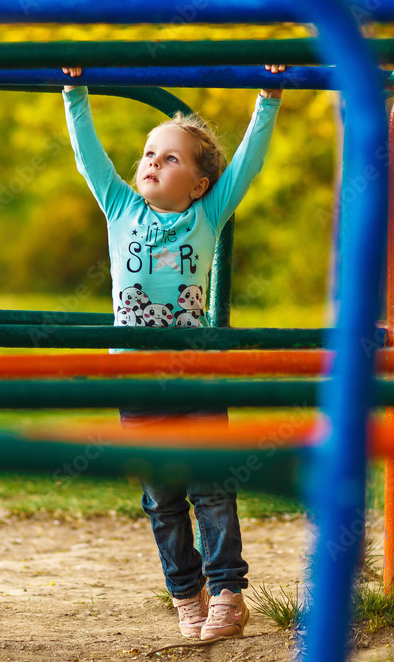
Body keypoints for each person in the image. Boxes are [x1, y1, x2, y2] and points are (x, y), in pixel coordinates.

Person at [62, 65, 286, 641]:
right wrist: (75, 92)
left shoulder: (207, 214)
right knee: (161, 496)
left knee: (211, 485)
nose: (153, 163)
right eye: (149, 153)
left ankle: (228, 594)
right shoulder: (120, 209)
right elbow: (91, 159)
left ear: (199, 184)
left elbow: (248, 164)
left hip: (198, 374)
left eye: (171, 158)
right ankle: (187, 594)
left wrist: (267, 99)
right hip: (135, 375)